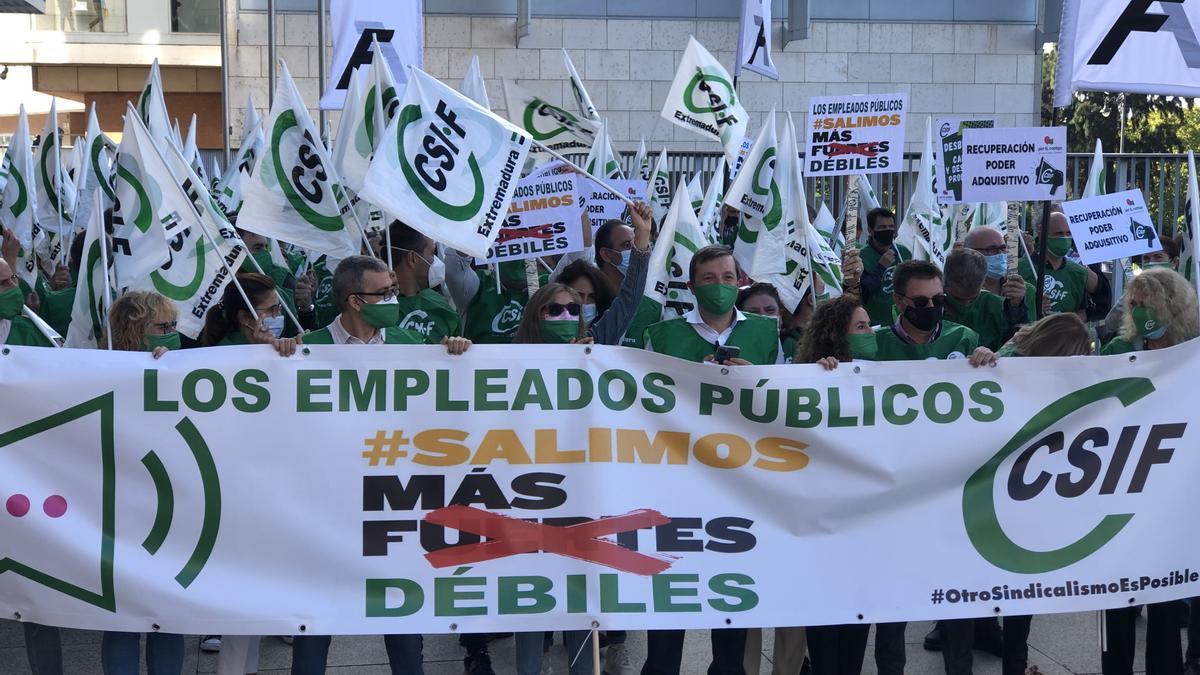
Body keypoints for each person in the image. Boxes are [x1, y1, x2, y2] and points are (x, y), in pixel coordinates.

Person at [290, 256, 470, 675]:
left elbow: (446, 399)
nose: (394, 298)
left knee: (403, 618)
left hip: (392, 501)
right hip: (327, 507)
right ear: (355, 301)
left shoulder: (408, 343)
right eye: (385, 293)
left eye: (393, 289)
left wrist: (458, 356)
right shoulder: (310, 346)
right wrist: (280, 356)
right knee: (315, 620)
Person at [640, 245, 779, 675]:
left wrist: (752, 382)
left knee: (729, 604)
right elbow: (640, 404)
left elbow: (785, 403)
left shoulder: (766, 333)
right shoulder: (662, 336)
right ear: (690, 286)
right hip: (676, 483)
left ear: (740, 282)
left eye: (726, 277)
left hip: (738, 485)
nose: (719, 287)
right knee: (670, 596)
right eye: (708, 279)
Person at [511, 283, 595, 675]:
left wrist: (643, 246)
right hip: (525, 497)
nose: (565, 317)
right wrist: (457, 351)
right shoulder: (503, 362)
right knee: (530, 602)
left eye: (572, 309)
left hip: (580, 498)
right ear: (535, 316)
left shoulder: (596, 359)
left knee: (580, 598)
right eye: (553, 310)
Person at [102, 291, 184, 674]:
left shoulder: (184, 368)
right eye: (162, 327)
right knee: (121, 622)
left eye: (174, 326)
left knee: (168, 619)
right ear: (135, 331)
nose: (171, 334)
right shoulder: (96, 371)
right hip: (116, 511)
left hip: (172, 508)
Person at [558, 201, 651, 353]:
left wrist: (643, 232)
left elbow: (629, 299)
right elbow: (582, 248)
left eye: (593, 297)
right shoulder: (529, 344)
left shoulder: (596, 341)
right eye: (578, 297)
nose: (585, 304)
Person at [385, 220, 460, 343]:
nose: (436, 261)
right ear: (413, 258)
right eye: (432, 253)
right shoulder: (378, 310)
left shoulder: (440, 303)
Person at [943, 248, 1030, 351]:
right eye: (958, 299)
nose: (965, 305)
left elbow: (1018, 343)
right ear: (945, 282)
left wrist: (1015, 310)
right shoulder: (931, 303)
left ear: (983, 283)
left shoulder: (997, 306)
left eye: (972, 299)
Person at [1037, 212, 1098, 318]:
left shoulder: (1079, 273)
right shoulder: (1023, 268)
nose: (1065, 238)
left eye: (1068, 233)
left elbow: (1084, 311)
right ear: (1042, 233)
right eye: (1059, 233)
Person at [858, 208, 910, 327]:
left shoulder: (904, 253)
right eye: (882, 227)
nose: (888, 230)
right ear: (871, 230)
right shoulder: (861, 257)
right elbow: (861, 294)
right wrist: (881, 267)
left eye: (891, 227)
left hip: (903, 324)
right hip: (876, 325)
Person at [594, 217, 637, 297]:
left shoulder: (641, 293)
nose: (635, 250)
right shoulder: (589, 294)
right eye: (627, 245)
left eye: (635, 243)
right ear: (606, 254)